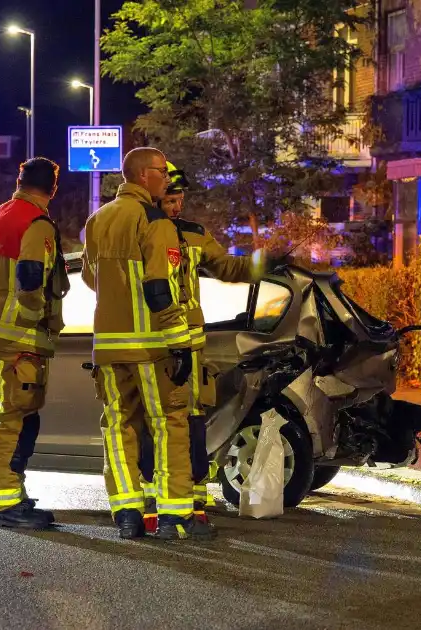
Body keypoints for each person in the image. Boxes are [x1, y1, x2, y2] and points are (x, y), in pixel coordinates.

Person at [81, 147, 211, 540]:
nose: (165, 178)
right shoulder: (153, 220)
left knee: (118, 428)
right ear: (142, 175)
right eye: (160, 171)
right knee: (169, 424)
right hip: (152, 347)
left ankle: (127, 516)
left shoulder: (97, 220)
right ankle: (174, 518)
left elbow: (91, 279)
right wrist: (178, 344)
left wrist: (120, 296)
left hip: (107, 346)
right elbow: (161, 287)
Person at [0, 157, 69, 530]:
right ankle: (3, 502)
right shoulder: (37, 224)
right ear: (52, 188)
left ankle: (12, 493)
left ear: (20, 181)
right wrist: (32, 312)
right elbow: (31, 274)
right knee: (14, 419)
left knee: (18, 416)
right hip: (19, 338)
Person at [161, 162, 275, 525]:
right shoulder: (140, 232)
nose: (177, 207)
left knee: (193, 424)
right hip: (156, 346)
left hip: (191, 348)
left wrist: (262, 263)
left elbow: (228, 267)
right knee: (165, 425)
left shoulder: (193, 234)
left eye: (179, 200)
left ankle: (193, 499)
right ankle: (161, 500)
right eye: (170, 200)